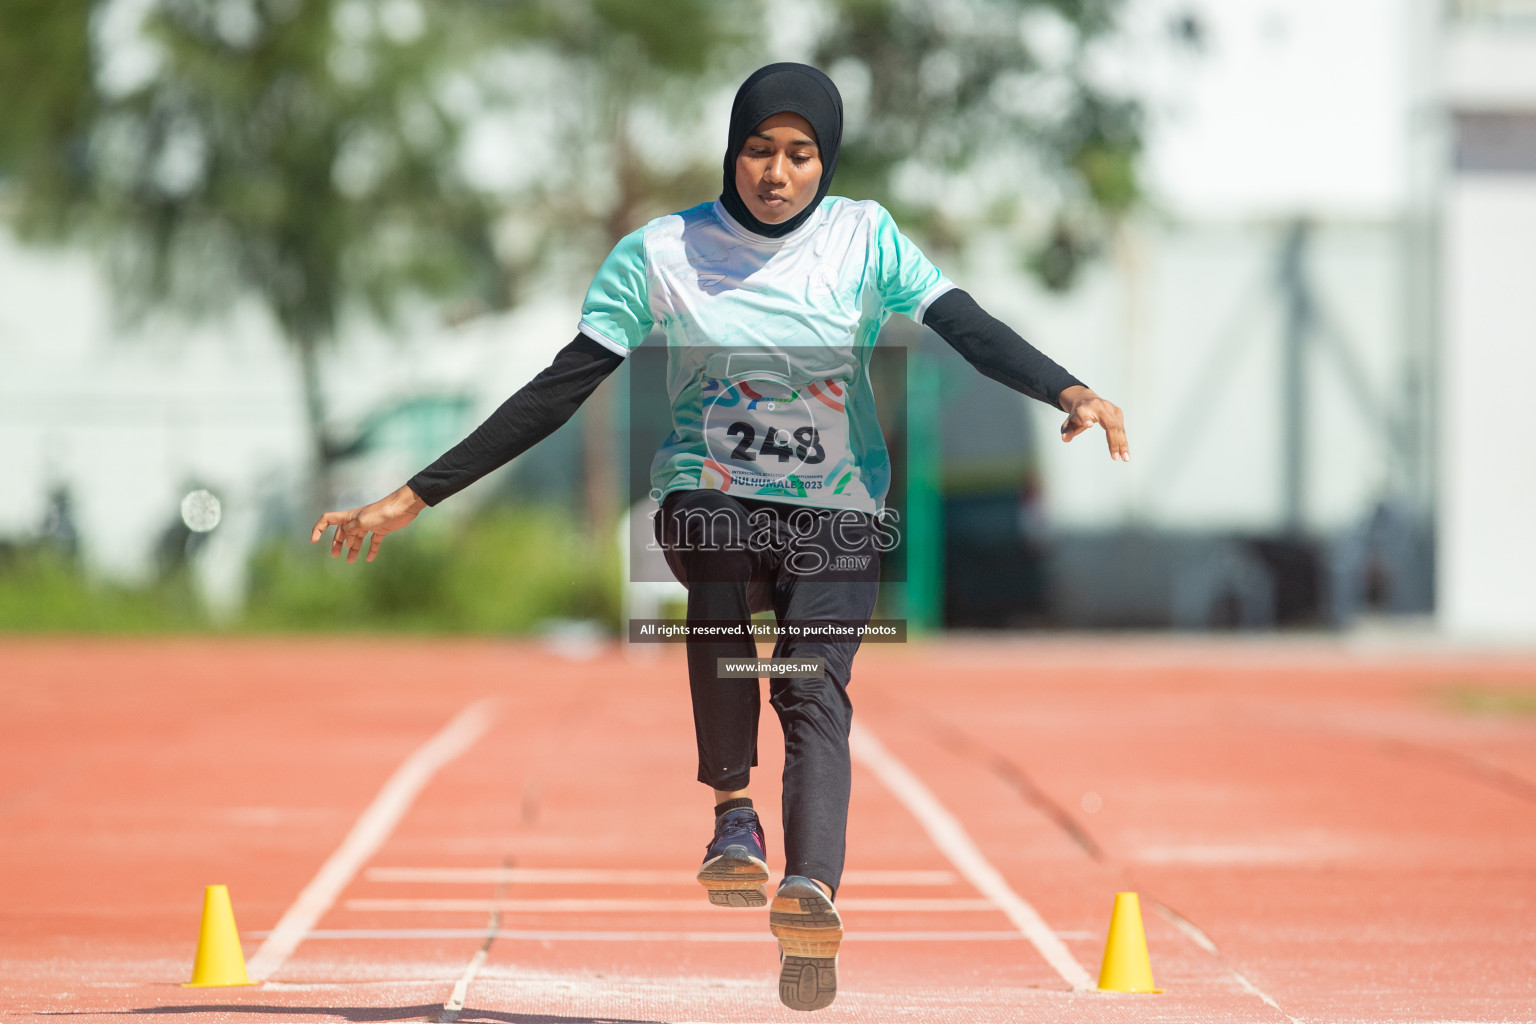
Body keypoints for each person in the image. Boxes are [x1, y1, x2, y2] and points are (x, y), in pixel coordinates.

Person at [312, 62, 1128, 1012]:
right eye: (757, 150)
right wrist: (418, 492)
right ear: (731, 152)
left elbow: (970, 327)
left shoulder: (867, 240)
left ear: (825, 162)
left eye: (799, 154)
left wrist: (1068, 389)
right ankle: (733, 812)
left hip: (838, 511)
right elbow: (559, 387)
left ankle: (810, 892)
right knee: (714, 533)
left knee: (813, 694)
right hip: (710, 493)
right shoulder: (662, 253)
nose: (776, 174)